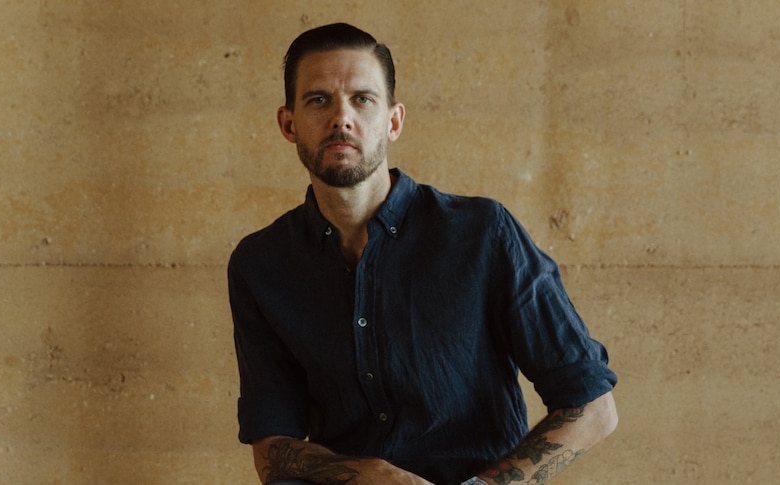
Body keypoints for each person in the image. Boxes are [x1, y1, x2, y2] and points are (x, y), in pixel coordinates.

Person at [228, 23, 618, 485]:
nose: (341, 118)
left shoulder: (482, 234)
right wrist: (366, 473)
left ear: (393, 121)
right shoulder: (261, 264)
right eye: (319, 100)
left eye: (362, 99)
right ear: (288, 124)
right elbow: (272, 448)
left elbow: (593, 408)